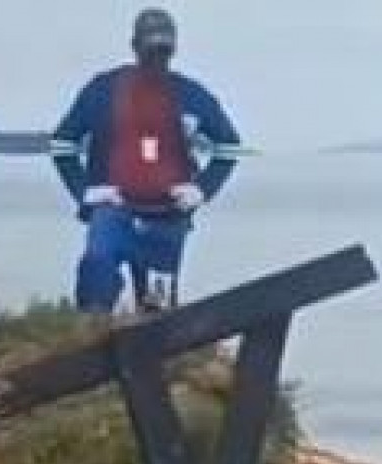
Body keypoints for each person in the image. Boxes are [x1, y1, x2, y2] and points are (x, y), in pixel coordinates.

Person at [49, 8, 243, 314]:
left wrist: (201, 190)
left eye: (163, 50)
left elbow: (229, 146)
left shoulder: (191, 95)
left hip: (167, 219)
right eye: (150, 49)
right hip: (113, 212)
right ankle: (93, 346)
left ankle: (153, 356)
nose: (157, 58)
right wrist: (85, 190)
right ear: (135, 46)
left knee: (157, 312)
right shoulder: (103, 90)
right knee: (96, 277)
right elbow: (62, 143)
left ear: (174, 49)